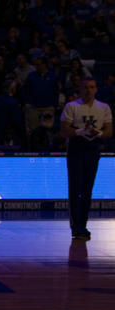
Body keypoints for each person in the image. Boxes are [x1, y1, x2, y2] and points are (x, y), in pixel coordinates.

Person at [60, 77, 113, 241]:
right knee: (76, 188)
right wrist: (80, 131)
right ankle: (76, 226)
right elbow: (64, 130)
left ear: (96, 89)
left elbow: (109, 131)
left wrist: (99, 133)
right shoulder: (72, 106)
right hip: (76, 149)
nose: (88, 90)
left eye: (92, 87)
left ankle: (83, 225)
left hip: (93, 149)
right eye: (85, 87)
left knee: (87, 189)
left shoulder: (103, 107)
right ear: (80, 89)